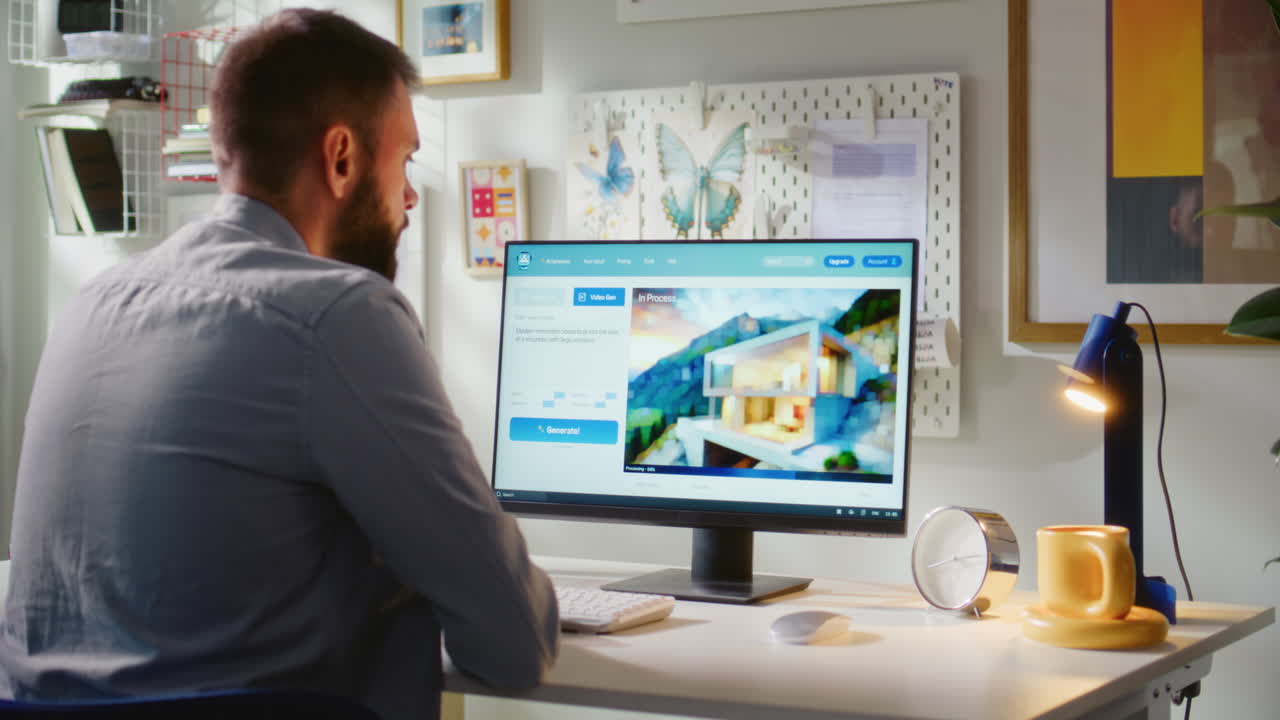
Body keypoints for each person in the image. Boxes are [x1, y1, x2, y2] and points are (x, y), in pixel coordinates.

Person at [0, 9, 558, 720]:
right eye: (406, 159)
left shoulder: (92, 300)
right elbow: (512, 640)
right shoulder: (338, 315)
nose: (410, 195)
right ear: (342, 157)